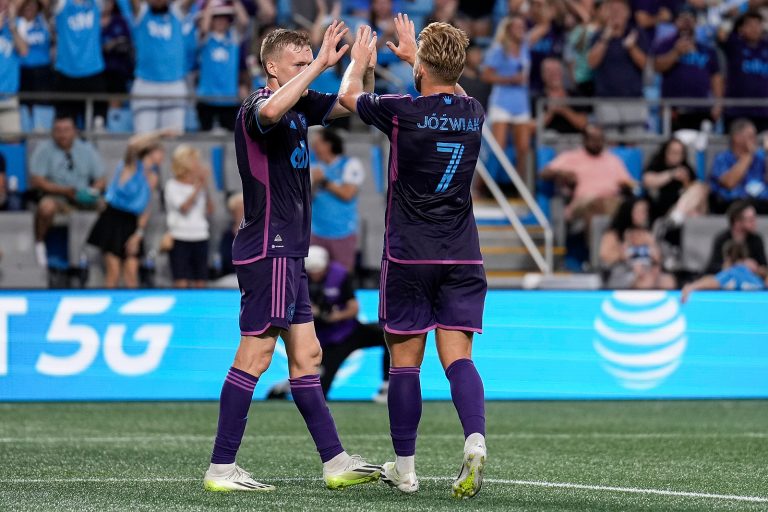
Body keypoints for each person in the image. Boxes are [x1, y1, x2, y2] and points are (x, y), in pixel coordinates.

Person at [203, 22, 381, 492]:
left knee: (308, 356)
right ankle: (221, 467)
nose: (308, 71)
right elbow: (274, 109)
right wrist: (322, 64)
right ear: (272, 67)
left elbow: (349, 103)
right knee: (257, 354)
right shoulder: (255, 107)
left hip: (290, 252)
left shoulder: (300, 104)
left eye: (309, 62)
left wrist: (360, 65)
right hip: (269, 247)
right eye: (298, 64)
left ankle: (335, 461)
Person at [339, 16, 488, 498]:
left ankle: (405, 470)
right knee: (458, 359)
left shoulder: (403, 110)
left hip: (408, 254)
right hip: (462, 255)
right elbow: (453, 91)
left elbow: (347, 98)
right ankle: (475, 438)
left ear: (423, 65)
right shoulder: (474, 111)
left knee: (405, 364)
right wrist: (419, 59)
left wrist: (361, 62)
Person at [266, 245, 390, 400]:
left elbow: (353, 308)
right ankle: (288, 385)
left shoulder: (339, 275)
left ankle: (388, 385)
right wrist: (308, 312)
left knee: (389, 333)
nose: (315, 274)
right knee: (319, 393)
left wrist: (335, 316)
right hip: (325, 340)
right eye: (312, 270)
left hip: (348, 330)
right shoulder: (295, 278)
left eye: (318, 270)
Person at [87, 131, 167, 287]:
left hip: (131, 223)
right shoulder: (129, 166)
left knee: (131, 272)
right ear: (150, 152)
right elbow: (132, 144)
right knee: (114, 272)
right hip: (113, 219)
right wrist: (160, 134)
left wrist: (138, 234)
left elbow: (146, 207)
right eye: (160, 152)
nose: (163, 156)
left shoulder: (153, 177)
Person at [30, 114, 105, 266]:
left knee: (109, 207)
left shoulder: (86, 149)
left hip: (83, 198)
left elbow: (101, 179)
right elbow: (36, 180)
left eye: (66, 130)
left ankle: (104, 250)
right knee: (46, 207)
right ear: (52, 132)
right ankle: (39, 245)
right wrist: (63, 191)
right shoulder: (44, 150)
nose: (62, 134)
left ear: (75, 131)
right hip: (57, 198)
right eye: (58, 130)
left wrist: (91, 192)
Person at [117, 0, 193, 133]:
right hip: (145, 84)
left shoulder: (177, 12)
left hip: (174, 84)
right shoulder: (141, 12)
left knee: (173, 138)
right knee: (144, 138)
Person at [541, 124, 635, 229]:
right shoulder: (571, 157)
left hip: (610, 201)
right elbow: (544, 173)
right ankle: (596, 244)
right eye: (593, 139)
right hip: (583, 202)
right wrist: (562, 174)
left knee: (630, 207)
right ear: (584, 140)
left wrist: (626, 186)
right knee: (594, 205)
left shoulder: (613, 160)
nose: (597, 143)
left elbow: (629, 183)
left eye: (600, 139)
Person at [653, 7, 723, 131]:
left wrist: (718, 103)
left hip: (702, 108)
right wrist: (676, 53)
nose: (686, 23)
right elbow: (658, 67)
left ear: (696, 23)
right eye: (682, 19)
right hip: (675, 109)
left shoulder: (707, 50)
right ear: (675, 22)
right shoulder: (665, 45)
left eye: (690, 19)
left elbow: (716, 77)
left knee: (701, 147)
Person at [481, 15, 532, 182]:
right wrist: (509, 79)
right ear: (508, 30)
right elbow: (486, 76)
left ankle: (519, 186)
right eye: (517, 27)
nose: (521, 31)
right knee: (498, 147)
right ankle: (483, 185)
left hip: (521, 103)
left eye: (522, 27)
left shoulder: (525, 47)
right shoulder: (498, 49)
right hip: (502, 101)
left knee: (523, 148)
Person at [587, 0, 649, 136]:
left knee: (636, 142)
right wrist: (605, 39)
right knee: (609, 142)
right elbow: (591, 63)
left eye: (620, 10)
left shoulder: (637, 34)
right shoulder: (598, 35)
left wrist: (631, 48)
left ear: (627, 13)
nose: (616, 13)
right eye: (612, 9)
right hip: (606, 99)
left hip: (633, 98)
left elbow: (645, 64)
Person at [310, 128, 365, 273]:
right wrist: (314, 183)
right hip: (317, 231)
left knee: (342, 277)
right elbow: (305, 198)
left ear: (328, 144)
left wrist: (324, 181)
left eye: (317, 144)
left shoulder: (350, 164)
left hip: (343, 232)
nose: (313, 147)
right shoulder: (312, 165)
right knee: (312, 275)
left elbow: (347, 194)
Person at [599, 196, 676, 289]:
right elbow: (605, 257)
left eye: (645, 211)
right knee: (647, 281)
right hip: (623, 272)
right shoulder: (614, 234)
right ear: (628, 212)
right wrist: (621, 254)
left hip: (650, 270)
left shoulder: (650, 232)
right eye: (639, 212)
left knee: (668, 281)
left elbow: (662, 259)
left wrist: (652, 245)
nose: (643, 215)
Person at [164, 144, 213, 288]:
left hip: (200, 236)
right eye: (194, 160)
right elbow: (184, 208)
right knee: (181, 280)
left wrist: (206, 186)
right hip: (180, 237)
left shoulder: (199, 185)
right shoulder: (171, 185)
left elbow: (210, 210)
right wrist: (198, 186)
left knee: (201, 279)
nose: (198, 164)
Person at [196, 0, 249, 131]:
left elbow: (244, 22)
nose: (220, 21)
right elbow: (204, 27)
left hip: (229, 98)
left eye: (224, 17)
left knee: (230, 141)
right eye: (216, 17)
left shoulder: (233, 38)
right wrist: (210, 4)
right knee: (205, 140)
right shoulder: (204, 38)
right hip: (206, 98)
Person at [53, 0, 107, 124]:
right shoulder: (61, 3)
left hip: (94, 71)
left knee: (97, 124)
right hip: (66, 73)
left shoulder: (96, 3)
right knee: (65, 124)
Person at [719, 11, 768, 132]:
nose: (754, 29)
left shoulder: (766, 46)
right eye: (750, 25)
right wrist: (740, 11)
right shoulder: (735, 44)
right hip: (737, 110)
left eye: (757, 25)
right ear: (741, 29)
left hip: (763, 110)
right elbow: (721, 34)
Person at [709, 119, 768, 214]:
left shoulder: (760, 156)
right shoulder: (722, 158)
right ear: (737, 138)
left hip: (762, 202)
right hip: (732, 204)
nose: (755, 140)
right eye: (751, 136)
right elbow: (729, 183)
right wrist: (748, 156)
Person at [682, 240, 765, 303]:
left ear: (727, 258)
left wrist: (691, 286)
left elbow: (714, 281)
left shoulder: (732, 273)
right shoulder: (757, 279)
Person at [705, 200, 766, 277]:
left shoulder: (756, 239)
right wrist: (733, 265)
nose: (755, 222)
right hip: (725, 281)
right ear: (737, 222)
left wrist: (756, 268)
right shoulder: (722, 239)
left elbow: (764, 267)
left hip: (749, 281)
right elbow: (711, 268)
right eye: (750, 220)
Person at [17, 0, 52, 128]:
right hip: (23, 71)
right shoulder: (17, 22)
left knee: (43, 105)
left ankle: (42, 130)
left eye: (32, 5)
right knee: (24, 106)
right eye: (26, 5)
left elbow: (49, 5)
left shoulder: (43, 20)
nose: (29, 8)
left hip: (43, 72)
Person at [540, 57, 589, 134]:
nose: (553, 74)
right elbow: (533, 127)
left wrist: (564, 110)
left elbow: (583, 124)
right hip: (547, 142)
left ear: (562, 73)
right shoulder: (538, 98)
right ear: (543, 75)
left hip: (575, 141)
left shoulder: (575, 95)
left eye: (556, 70)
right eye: (549, 71)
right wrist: (550, 112)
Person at [0, 0, 27, 135]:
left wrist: (12, 28)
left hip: (9, 96)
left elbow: (23, 51)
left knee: (12, 143)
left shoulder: (19, 23)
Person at [218, 191, 243, 277]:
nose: (241, 213)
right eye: (238, 209)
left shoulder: (257, 234)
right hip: (231, 275)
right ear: (233, 212)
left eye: (243, 209)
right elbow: (225, 258)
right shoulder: (227, 235)